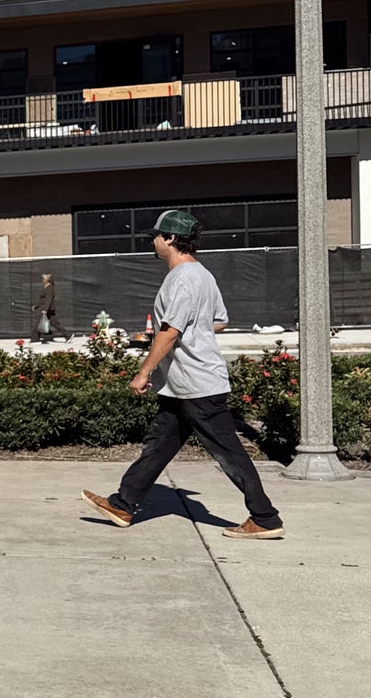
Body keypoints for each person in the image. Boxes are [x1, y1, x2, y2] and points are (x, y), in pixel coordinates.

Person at [81, 210, 284, 539]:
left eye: (156, 236)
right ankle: (123, 503)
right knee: (159, 446)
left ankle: (265, 517)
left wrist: (144, 370)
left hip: (197, 383)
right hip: (182, 385)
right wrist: (172, 335)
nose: (154, 241)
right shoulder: (202, 275)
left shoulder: (182, 278)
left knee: (228, 452)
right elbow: (218, 320)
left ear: (171, 239)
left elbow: (171, 331)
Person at [30, 273, 69, 341]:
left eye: (43, 279)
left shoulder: (49, 287)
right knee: (55, 323)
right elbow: (43, 300)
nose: (42, 280)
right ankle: (68, 336)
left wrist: (45, 309)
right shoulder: (47, 287)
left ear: (47, 280)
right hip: (47, 308)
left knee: (37, 323)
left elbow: (49, 299)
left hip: (46, 308)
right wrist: (36, 306)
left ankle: (35, 339)